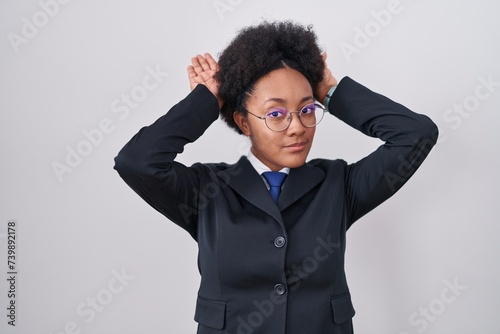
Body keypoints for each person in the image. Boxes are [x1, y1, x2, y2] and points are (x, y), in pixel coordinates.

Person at [114, 21, 438, 334]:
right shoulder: (205, 191)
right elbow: (136, 162)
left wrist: (330, 91)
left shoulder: (338, 185)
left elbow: (416, 134)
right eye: (276, 113)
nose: (297, 126)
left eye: (307, 109)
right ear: (243, 122)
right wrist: (207, 100)